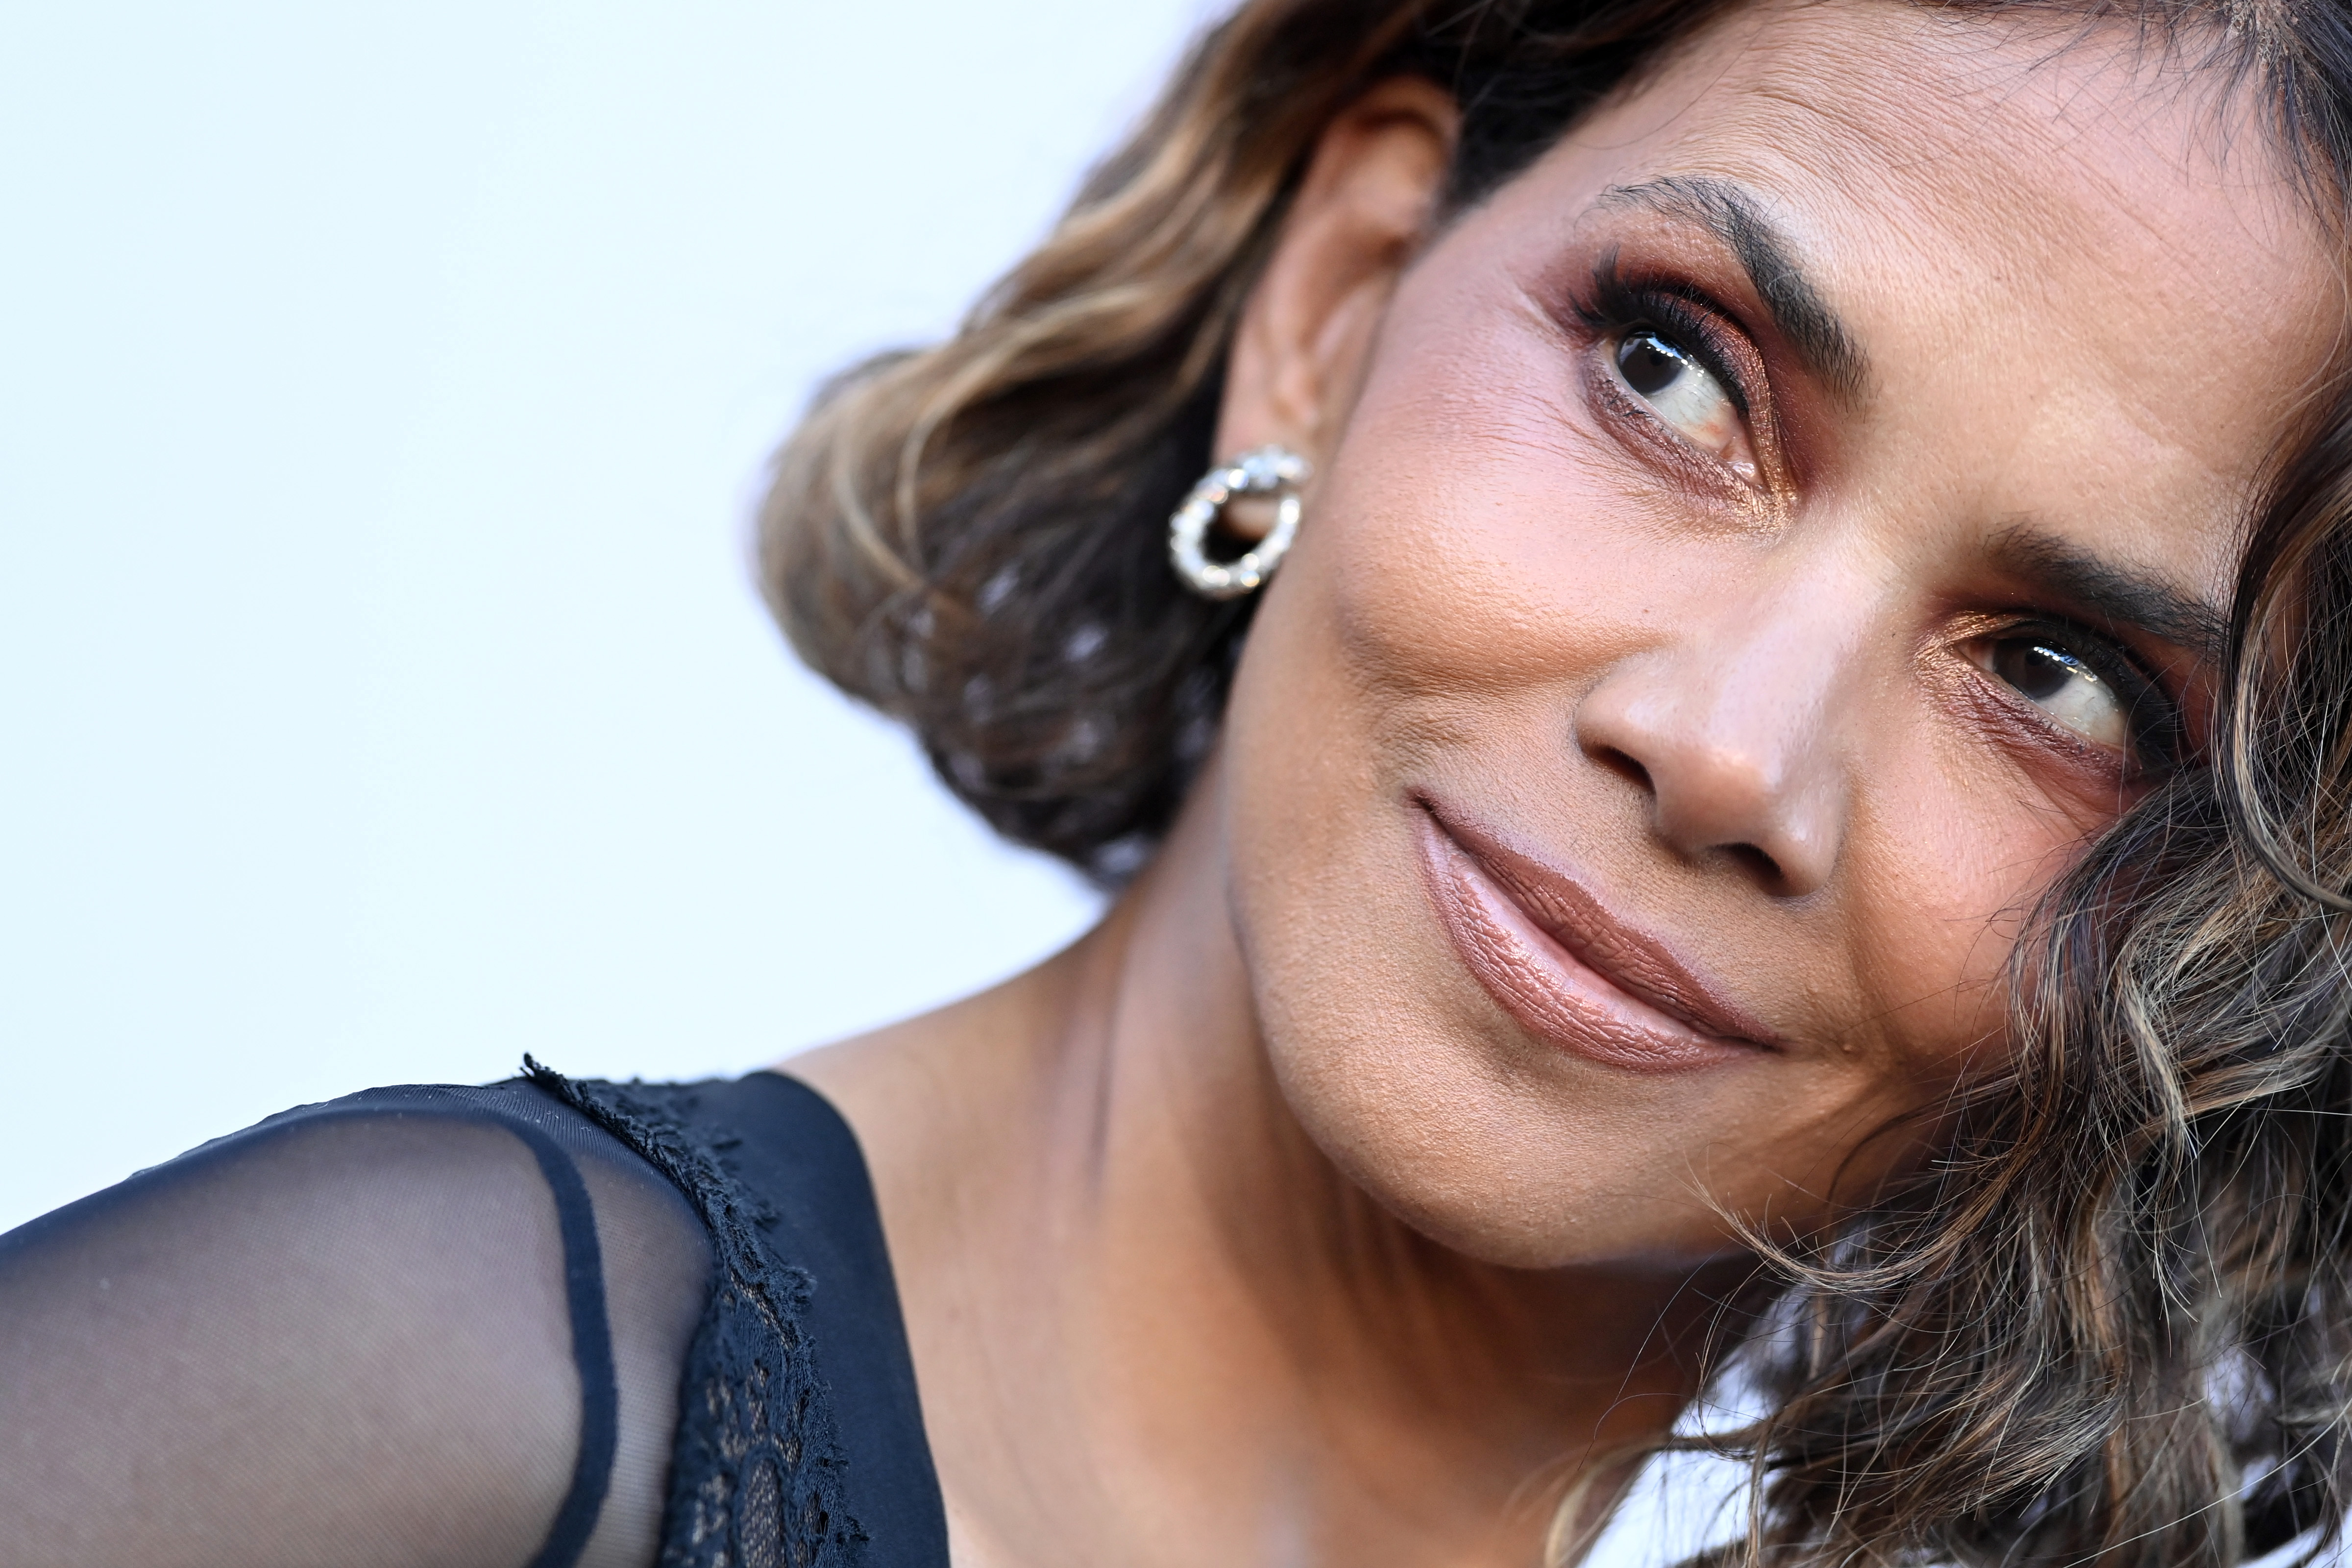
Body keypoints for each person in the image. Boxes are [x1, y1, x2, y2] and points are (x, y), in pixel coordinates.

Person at [8, 0, 2352, 1564]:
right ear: (1329, 311)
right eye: (1673, 372)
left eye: (2056, 673)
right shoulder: (419, 1401)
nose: (1732, 748)